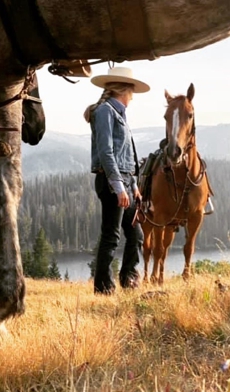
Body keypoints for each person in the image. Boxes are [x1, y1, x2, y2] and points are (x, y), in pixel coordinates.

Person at [84, 67, 150, 295]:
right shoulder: (105, 112)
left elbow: (126, 156)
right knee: (111, 235)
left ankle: (129, 278)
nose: (133, 95)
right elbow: (106, 152)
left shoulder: (119, 113)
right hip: (112, 182)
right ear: (125, 89)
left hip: (124, 183)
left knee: (136, 235)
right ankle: (103, 288)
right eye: (132, 90)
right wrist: (119, 186)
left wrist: (133, 187)